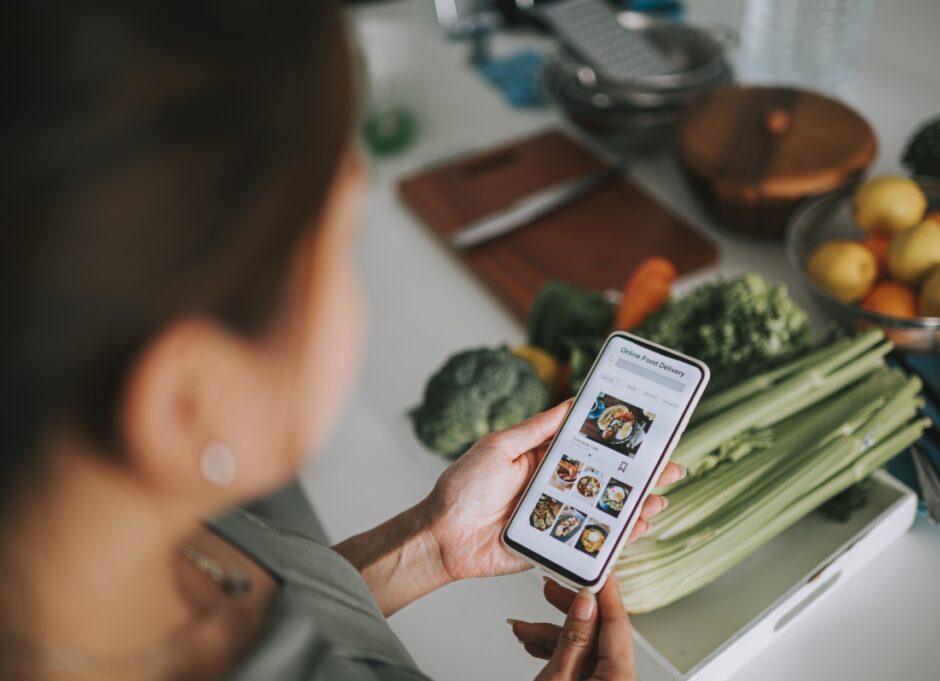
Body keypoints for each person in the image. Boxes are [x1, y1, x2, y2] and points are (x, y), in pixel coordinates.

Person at [0, 2, 681, 679]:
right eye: (343, 244)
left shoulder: (125, 523)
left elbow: (280, 619)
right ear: (187, 400)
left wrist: (432, 543)